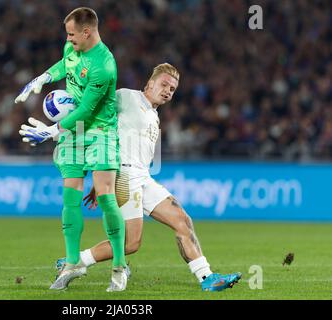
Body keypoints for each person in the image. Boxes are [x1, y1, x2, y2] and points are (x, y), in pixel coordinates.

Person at [55, 63, 242, 291]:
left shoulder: (154, 116)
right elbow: (95, 113)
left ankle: (207, 278)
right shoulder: (127, 97)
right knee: (131, 243)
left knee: (182, 220)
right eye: (164, 84)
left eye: (172, 89)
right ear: (150, 83)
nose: (168, 91)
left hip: (142, 177)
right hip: (123, 175)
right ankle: (75, 261)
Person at [16, 7, 127, 292]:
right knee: (70, 198)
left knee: (105, 197)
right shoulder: (71, 46)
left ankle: (119, 265)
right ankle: (72, 262)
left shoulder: (104, 66)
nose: (68, 39)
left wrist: (52, 131)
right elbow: (64, 64)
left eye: (71, 34)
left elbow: (88, 110)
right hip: (74, 132)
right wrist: (41, 78)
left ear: (87, 32)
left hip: (100, 131)